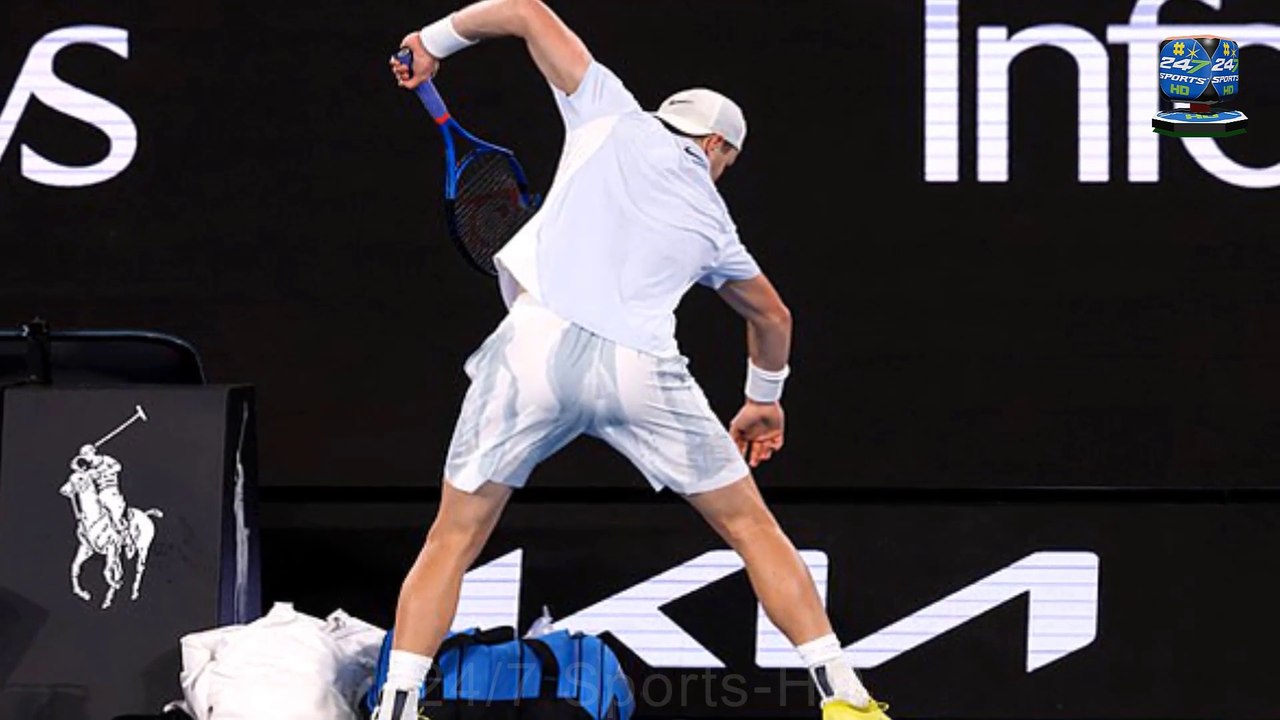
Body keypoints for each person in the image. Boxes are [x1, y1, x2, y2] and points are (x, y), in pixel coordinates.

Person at [383, 1, 891, 718]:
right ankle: (848, 700)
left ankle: (396, 707)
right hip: (638, 370)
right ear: (716, 146)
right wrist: (762, 400)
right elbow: (772, 316)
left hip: (530, 352)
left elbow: (525, 11)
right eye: (728, 164)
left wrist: (431, 44)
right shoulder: (716, 223)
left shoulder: (608, 112)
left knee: (453, 538)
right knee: (753, 530)